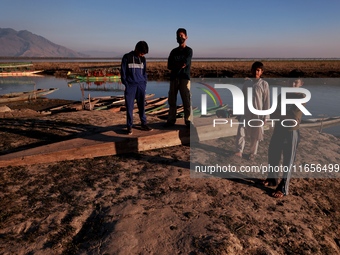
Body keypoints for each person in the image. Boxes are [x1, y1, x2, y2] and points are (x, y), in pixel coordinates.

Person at [263, 78, 305, 198]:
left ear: (301, 84)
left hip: (291, 133)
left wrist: (280, 115)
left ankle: (283, 188)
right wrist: (282, 115)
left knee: (288, 161)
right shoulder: (282, 95)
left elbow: (293, 120)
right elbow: (273, 112)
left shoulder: (301, 97)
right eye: (290, 81)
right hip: (278, 129)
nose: (292, 84)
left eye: (295, 82)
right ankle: (272, 180)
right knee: (273, 154)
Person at [234, 61, 270, 160]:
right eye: (254, 70)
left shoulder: (264, 84)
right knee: (241, 131)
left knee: (255, 134)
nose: (256, 72)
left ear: (261, 72)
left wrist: (265, 116)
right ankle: (239, 151)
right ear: (251, 70)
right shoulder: (247, 83)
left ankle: (252, 153)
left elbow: (266, 101)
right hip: (246, 112)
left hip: (258, 113)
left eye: (258, 70)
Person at [120, 41, 152, 135]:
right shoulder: (127, 57)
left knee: (142, 105)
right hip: (131, 86)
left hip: (141, 85)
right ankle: (129, 126)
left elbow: (144, 72)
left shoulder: (143, 59)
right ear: (137, 49)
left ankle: (144, 123)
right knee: (129, 107)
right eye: (142, 53)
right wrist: (126, 84)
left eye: (144, 54)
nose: (142, 55)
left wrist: (144, 83)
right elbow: (123, 72)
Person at [164, 28, 193, 127]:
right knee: (172, 100)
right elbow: (169, 65)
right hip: (174, 78)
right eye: (178, 36)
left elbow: (184, 63)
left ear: (186, 37)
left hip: (184, 78)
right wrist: (178, 64)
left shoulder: (188, 51)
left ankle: (188, 121)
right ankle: (171, 120)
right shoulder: (173, 51)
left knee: (187, 100)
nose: (180, 38)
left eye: (181, 36)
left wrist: (176, 64)